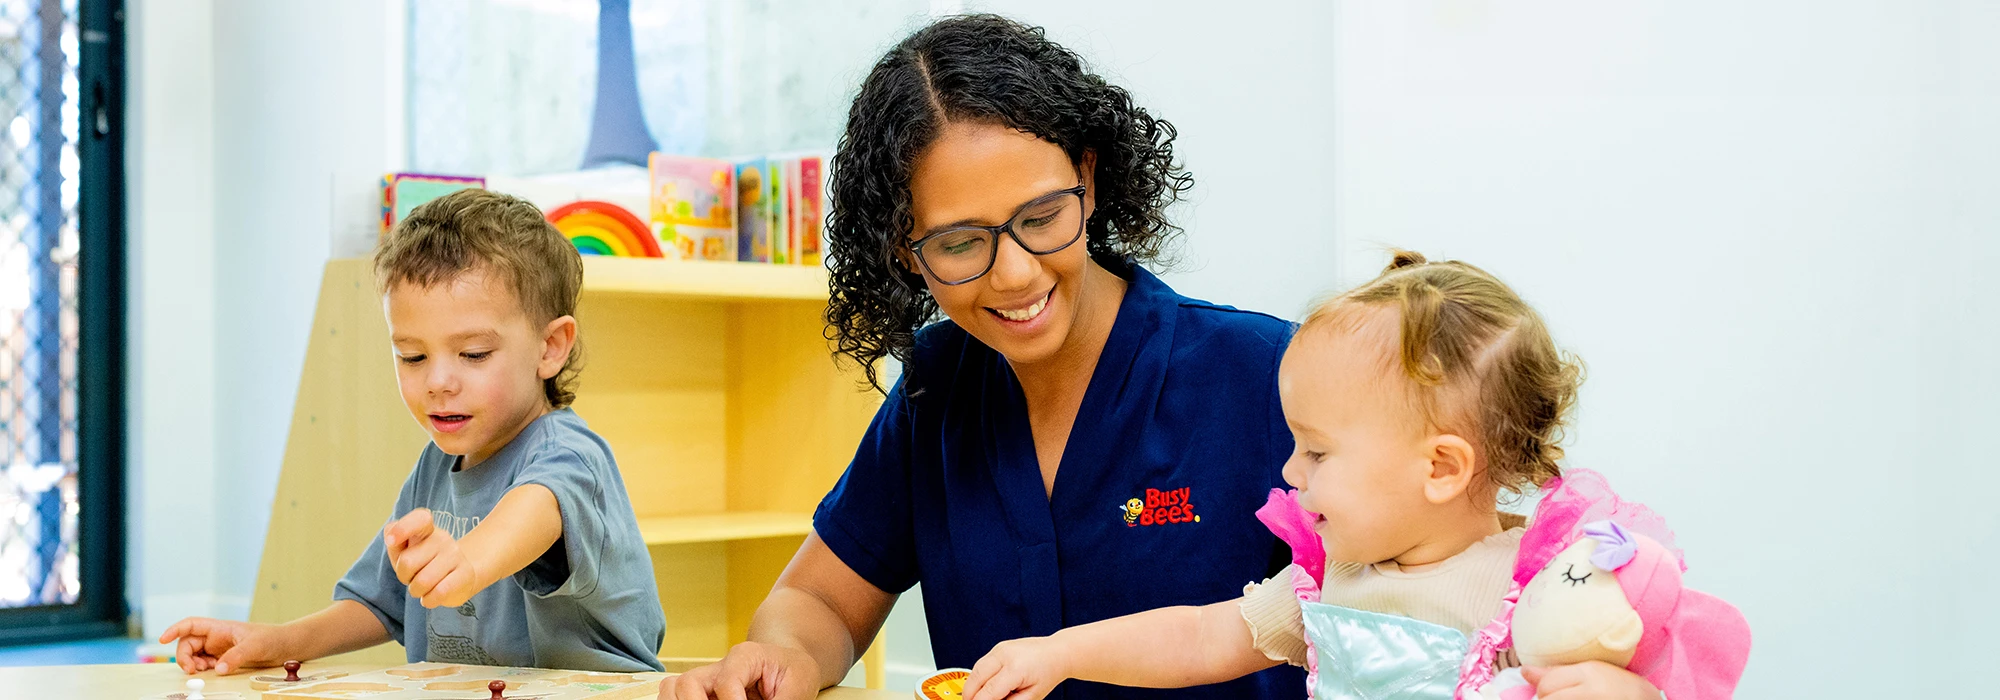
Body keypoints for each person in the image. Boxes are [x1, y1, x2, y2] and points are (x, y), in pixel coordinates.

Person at [664, 14, 1303, 700]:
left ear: (1088, 178)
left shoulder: (1266, 374)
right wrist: (784, 654)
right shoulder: (935, 391)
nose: (1016, 275)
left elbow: (1393, 615)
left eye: (1041, 217)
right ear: (904, 251)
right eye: (961, 243)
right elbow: (818, 602)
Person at [963, 252, 1690, 700]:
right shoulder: (1334, 577)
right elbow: (1200, 639)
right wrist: (1062, 653)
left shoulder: (1533, 594)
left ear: (1439, 468)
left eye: (1316, 451)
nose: (1288, 470)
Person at [160, 189, 667, 674]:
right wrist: (276, 643)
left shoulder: (570, 455)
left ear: (550, 348)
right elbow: (382, 604)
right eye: (412, 356)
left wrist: (467, 559)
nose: (439, 382)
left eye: (473, 355)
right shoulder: (435, 465)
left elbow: (537, 508)